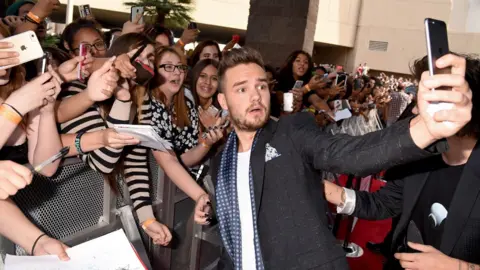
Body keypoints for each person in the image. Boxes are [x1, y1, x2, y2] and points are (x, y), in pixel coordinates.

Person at [195, 47, 472, 270]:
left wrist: (427, 127)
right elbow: (240, 220)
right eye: (242, 89)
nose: (255, 96)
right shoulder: (222, 163)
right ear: (222, 101)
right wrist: (211, 214)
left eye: (261, 86)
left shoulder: (291, 131)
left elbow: (351, 154)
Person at [324, 54, 480, 269]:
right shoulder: (421, 156)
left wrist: (458, 267)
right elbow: (382, 204)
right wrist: (322, 188)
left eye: (430, 100)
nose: (416, 110)